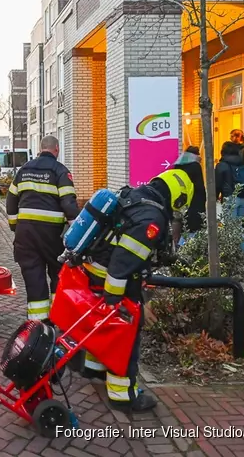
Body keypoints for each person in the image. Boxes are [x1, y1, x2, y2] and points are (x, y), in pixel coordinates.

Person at [78, 169, 195, 413]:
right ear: (179, 198)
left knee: (102, 325)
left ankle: (93, 367)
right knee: (125, 336)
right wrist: (115, 299)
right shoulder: (152, 217)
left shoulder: (136, 195)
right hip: (112, 277)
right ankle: (124, 395)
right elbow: (123, 262)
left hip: (95, 268)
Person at [6, 135, 80, 321]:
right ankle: (58, 318)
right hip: (52, 237)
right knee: (58, 275)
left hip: (25, 236)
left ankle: (38, 326)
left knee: (34, 279)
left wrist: (15, 226)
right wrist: (78, 233)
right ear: (57, 149)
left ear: (40, 149)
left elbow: (11, 200)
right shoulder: (60, 171)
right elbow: (69, 206)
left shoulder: (24, 170)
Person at [215, 141, 244, 254]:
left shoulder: (222, 165)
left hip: (230, 198)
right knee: (239, 227)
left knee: (231, 227)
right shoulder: (241, 163)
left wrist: (214, 198)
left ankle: (238, 252)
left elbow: (217, 184)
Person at [173, 146, 206, 245]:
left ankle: (181, 246)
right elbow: (200, 185)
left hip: (182, 198)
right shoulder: (195, 165)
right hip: (196, 198)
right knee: (195, 224)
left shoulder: (178, 165)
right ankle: (185, 247)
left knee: (186, 223)